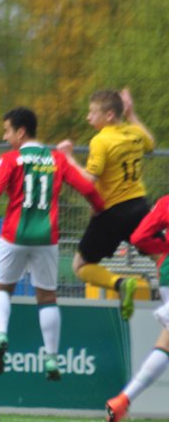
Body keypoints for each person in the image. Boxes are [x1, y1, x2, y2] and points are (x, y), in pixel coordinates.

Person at [0, 108, 105, 380]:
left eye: (6, 131)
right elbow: (87, 189)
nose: (5, 138)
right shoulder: (57, 159)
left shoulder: (10, 159)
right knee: (47, 297)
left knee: (2, 287)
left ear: (20, 132)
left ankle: (1, 335)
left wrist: (5, 174)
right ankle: (51, 359)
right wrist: (99, 208)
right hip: (47, 238)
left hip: (14, 236)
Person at [57, 89, 155, 320]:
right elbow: (150, 144)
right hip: (140, 207)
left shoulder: (101, 140)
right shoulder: (134, 133)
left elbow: (88, 180)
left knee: (80, 266)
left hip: (111, 213)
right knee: (160, 256)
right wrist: (131, 115)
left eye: (93, 112)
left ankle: (120, 284)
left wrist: (68, 157)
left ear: (109, 115)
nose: (88, 117)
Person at [105, 195, 169, 422]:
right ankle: (123, 400)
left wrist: (164, 249)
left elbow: (139, 237)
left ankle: (122, 400)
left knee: (166, 341)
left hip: (167, 275)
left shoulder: (166, 203)